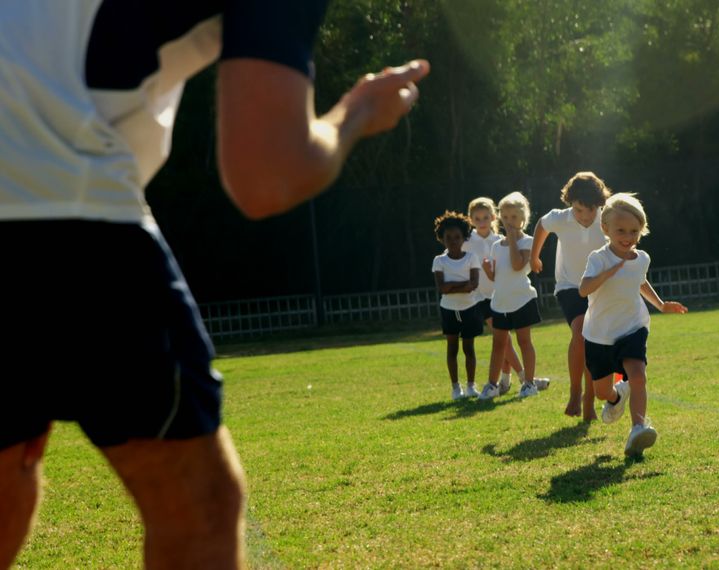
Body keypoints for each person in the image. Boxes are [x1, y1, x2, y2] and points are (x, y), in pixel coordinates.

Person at [0, 3, 429, 568]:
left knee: (8, 472)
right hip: (53, 187)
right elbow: (266, 175)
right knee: (197, 508)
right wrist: (358, 111)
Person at [578, 193, 688, 457]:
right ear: (605, 229)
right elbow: (583, 290)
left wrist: (661, 305)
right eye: (621, 230)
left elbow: (640, 282)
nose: (627, 236)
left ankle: (638, 428)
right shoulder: (598, 258)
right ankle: (616, 396)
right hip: (599, 335)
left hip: (632, 328)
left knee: (638, 376)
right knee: (601, 391)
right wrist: (608, 272)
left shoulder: (642, 259)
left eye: (634, 231)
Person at [530, 172, 610, 422]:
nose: (584, 216)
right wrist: (535, 256)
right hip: (569, 286)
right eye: (578, 210)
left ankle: (589, 398)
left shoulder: (607, 218)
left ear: (599, 205)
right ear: (570, 202)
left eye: (590, 210)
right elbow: (541, 225)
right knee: (580, 333)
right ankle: (576, 392)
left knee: (593, 341)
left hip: (598, 288)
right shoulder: (560, 218)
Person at [477, 192, 544, 400]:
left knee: (524, 342)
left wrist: (514, 240)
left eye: (514, 217)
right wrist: (487, 270)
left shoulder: (529, 242)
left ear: (523, 218)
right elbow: (497, 276)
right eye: (505, 217)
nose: (509, 222)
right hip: (500, 302)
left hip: (522, 300)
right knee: (499, 345)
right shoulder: (496, 246)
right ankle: (492, 385)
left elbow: (517, 265)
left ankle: (529, 384)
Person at [463, 197, 525, 395]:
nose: (482, 221)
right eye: (477, 218)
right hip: (479, 298)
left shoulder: (499, 241)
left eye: (485, 217)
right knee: (504, 339)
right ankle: (526, 378)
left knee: (504, 339)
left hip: (500, 295)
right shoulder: (466, 242)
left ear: (493, 217)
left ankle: (505, 381)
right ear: (471, 219)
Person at [431, 211, 484, 400]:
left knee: (469, 349)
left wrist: (453, 285)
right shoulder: (439, 261)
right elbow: (442, 289)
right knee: (452, 349)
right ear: (442, 239)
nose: (453, 241)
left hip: (470, 309)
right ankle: (456, 388)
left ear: (464, 238)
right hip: (449, 310)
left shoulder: (471, 257)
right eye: (448, 238)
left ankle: (471, 386)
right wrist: (461, 286)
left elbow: (473, 285)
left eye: (457, 237)